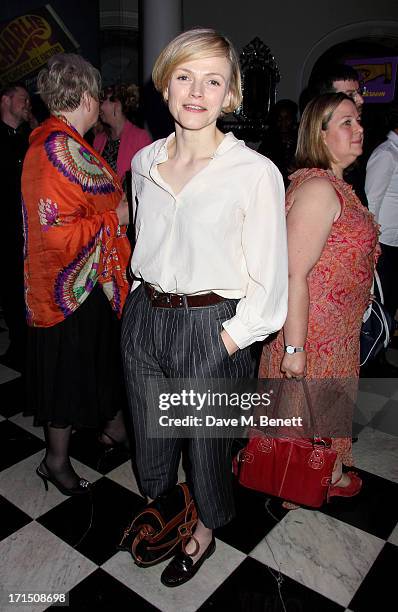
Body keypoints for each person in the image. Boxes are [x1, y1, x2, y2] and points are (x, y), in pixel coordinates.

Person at [121, 28, 288, 586]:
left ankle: (206, 531)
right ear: (165, 84)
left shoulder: (254, 172)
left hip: (211, 326)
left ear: (230, 94)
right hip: (145, 316)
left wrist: (228, 340)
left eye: (212, 80)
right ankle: (168, 507)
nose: (197, 91)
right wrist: (134, 310)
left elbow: (270, 280)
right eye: (185, 76)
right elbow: (146, 244)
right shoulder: (143, 162)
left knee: (208, 449)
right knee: (151, 439)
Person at [259, 93, 379, 507]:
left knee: (321, 415)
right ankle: (298, 485)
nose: (358, 128)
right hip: (313, 333)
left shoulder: (333, 186)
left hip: (334, 334)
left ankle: (328, 471)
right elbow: (295, 272)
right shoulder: (318, 190)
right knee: (301, 422)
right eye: (346, 122)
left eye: (358, 119)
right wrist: (295, 348)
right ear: (320, 133)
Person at [21, 54, 131, 495]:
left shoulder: (60, 140)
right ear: (86, 96)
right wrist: (117, 217)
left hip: (87, 279)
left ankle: (114, 427)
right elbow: (55, 230)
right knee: (67, 377)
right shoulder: (54, 146)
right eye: (97, 95)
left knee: (98, 361)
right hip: (67, 285)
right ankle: (55, 461)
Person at [0, 83, 31, 371]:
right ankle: (18, 343)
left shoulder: (27, 138)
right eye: (22, 99)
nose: (27, 104)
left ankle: (24, 344)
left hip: (26, 230)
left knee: (22, 289)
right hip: (5, 231)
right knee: (10, 290)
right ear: (6, 100)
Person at [308, 64, 367, 207]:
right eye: (350, 94)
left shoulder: (348, 164)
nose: (360, 100)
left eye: (359, 92)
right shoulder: (316, 186)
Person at [365, 101, 398, 358]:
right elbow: (372, 199)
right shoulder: (386, 153)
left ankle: (384, 348)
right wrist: (373, 241)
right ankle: (375, 354)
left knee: (392, 299)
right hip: (384, 240)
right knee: (382, 302)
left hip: (395, 240)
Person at [94, 83, 151, 189]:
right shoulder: (99, 139)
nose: (99, 107)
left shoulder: (140, 137)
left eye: (102, 102)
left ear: (116, 104)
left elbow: (147, 181)